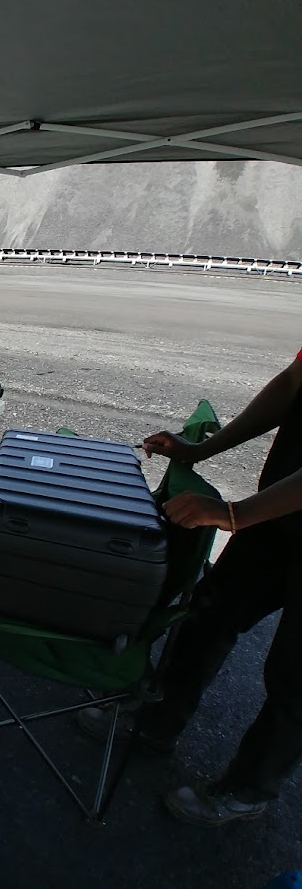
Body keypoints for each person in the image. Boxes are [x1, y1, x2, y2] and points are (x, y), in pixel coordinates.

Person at [84, 349, 302, 826]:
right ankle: (156, 722)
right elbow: (292, 384)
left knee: (294, 674)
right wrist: (201, 450)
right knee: (210, 611)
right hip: (283, 509)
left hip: (276, 507)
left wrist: (236, 514)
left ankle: (249, 787)